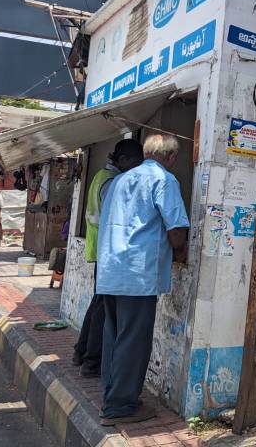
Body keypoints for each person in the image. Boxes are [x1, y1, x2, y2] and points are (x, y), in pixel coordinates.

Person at [96, 135, 189, 425]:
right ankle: (120, 406)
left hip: (111, 269)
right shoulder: (165, 180)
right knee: (134, 342)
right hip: (138, 274)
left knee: (115, 338)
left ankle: (112, 397)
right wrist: (181, 251)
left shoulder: (120, 180)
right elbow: (176, 231)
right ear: (171, 157)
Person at [72, 139, 144, 378]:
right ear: (122, 160)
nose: (136, 168)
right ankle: (91, 361)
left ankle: (81, 352)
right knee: (102, 308)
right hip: (108, 252)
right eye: (134, 163)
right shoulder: (112, 182)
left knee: (98, 304)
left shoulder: (100, 176)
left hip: (100, 249)